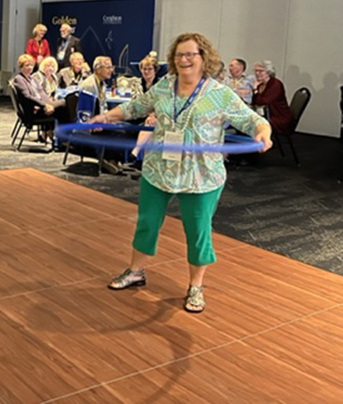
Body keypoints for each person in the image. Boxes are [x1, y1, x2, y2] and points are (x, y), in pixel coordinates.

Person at [93, 32, 271, 314]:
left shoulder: (219, 93)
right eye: (179, 55)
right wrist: (105, 117)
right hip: (159, 168)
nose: (184, 59)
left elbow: (252, 120)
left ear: (204, 58)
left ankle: (196, 286)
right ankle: (136, 271)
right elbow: (134, 107)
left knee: (198, 232)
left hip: (201, 175)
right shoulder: (164, 87)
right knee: (147, 223)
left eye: (191, 54)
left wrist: (263, 133)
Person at [12, 53, 69, 130]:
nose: (30, 67)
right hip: (33, 111)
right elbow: (28, 96)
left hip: (41, 107)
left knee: (64, 106)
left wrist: (48, 104)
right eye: (27, 65)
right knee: (63, 105)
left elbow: (41, 92)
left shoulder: (32, 78)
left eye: (31, 65)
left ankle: (58, 136)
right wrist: (45, 105)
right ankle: (62, 136)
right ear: (21, 67)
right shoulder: (19, 79)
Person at [252, 60, 292, 134]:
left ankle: (260, 144)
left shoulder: (275, 84)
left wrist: (255, 90)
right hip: (266, 114)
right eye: (256, 71)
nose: (257, 73)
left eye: (261, 71)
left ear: (268, 72)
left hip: (278, 117)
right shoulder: (260, 85)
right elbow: (254, 101)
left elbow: (263, 101)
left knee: (252, 124)